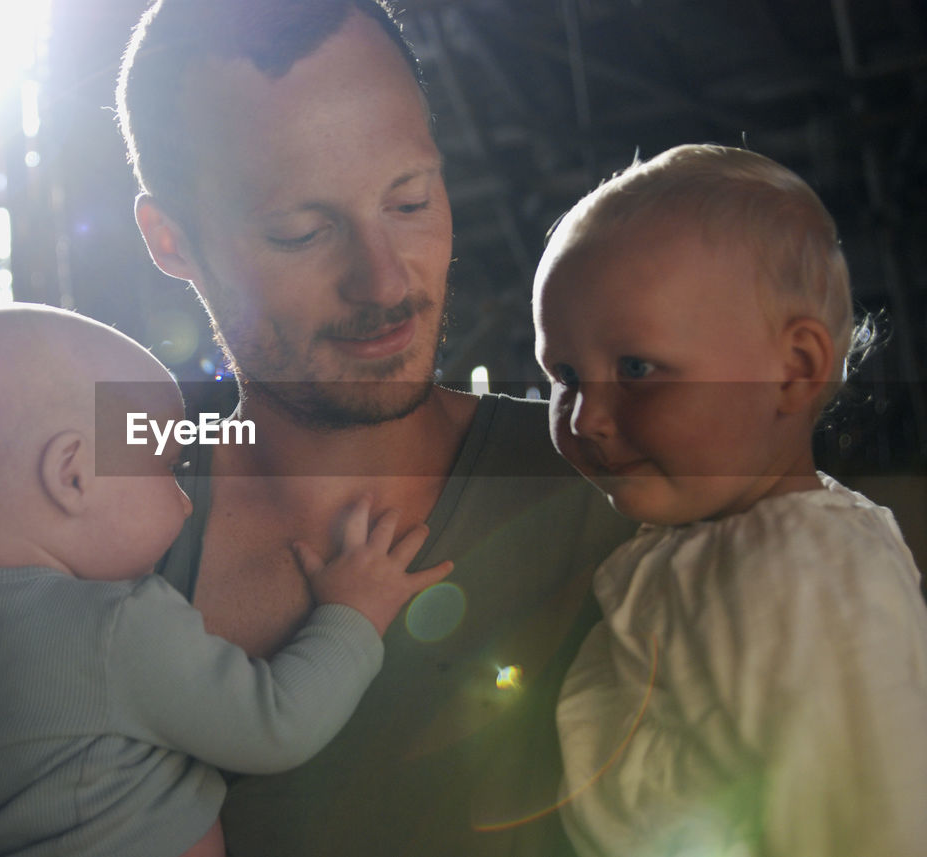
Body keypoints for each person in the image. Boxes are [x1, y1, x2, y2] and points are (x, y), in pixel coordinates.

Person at [111, 2, 637, 855]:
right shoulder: (100, 542)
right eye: (302, 230)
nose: (384, 280)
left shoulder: (611, 483)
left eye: (409, 199)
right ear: (171, 239)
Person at [0, 303, 454, 857]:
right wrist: (353, 612)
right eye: (164, 469)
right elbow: (277, 724)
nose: (185, 499)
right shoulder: (119, 622)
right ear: (73, 476)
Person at [533, 144, 927, 856]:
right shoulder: (705, 539)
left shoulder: (802, 566)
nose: (585, 415)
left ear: (792, 371)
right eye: (564, 373)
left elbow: (868, 816)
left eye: (635, 367)